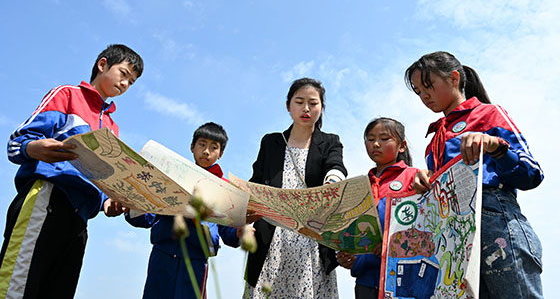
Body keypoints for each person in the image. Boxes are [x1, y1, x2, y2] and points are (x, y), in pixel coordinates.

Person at [0, 44, 144, 299]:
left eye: (131, 82)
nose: (125, 84)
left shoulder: (112, 127)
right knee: (17, 288)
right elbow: (15, 144)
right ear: (102, 65)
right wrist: (34, 148)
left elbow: (103, 178)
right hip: (46, 200)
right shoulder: (67, 95)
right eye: (123, 74)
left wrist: (107, 202)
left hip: (80, 220)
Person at [404, 51, 543, 299]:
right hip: (452, 242)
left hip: (495, 223)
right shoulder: (433, 141)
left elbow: (531, 174)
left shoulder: (488, 114)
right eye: (418, 91)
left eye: (428, 86)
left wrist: (495, 146)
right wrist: (424, 183)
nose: (424, 96)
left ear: (454, 78)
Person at [244, 77, 347, 299]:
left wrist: (331, 183)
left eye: (313, 102)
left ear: (321, 107)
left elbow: (336, 166)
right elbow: (256, 182)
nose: (306, 109)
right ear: (288, 105)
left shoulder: (329, 141)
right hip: (271, 236)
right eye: (299, 102)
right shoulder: (271, 142)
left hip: (310, 236)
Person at [126, 122, 242, 299]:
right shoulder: (171, 176)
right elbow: (147, 216)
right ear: (192, 147)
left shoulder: (224, 189)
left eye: (214, 147)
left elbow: (228, 231)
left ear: (221, 154)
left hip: (196, 258)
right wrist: (131, 204)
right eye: (202, 144)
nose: (206, 151)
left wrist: (240, 232)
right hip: (162, 252)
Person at [336, 117, 418, 299]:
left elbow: (424, 225)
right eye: (371, 139)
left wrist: (391, 246)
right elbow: (351, 231)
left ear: (402, 146)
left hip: (403, 280)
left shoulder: (414, 177)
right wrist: (346, 256)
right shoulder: (358, 187)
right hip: (365, 282)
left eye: (384, 138)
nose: (376, 144)